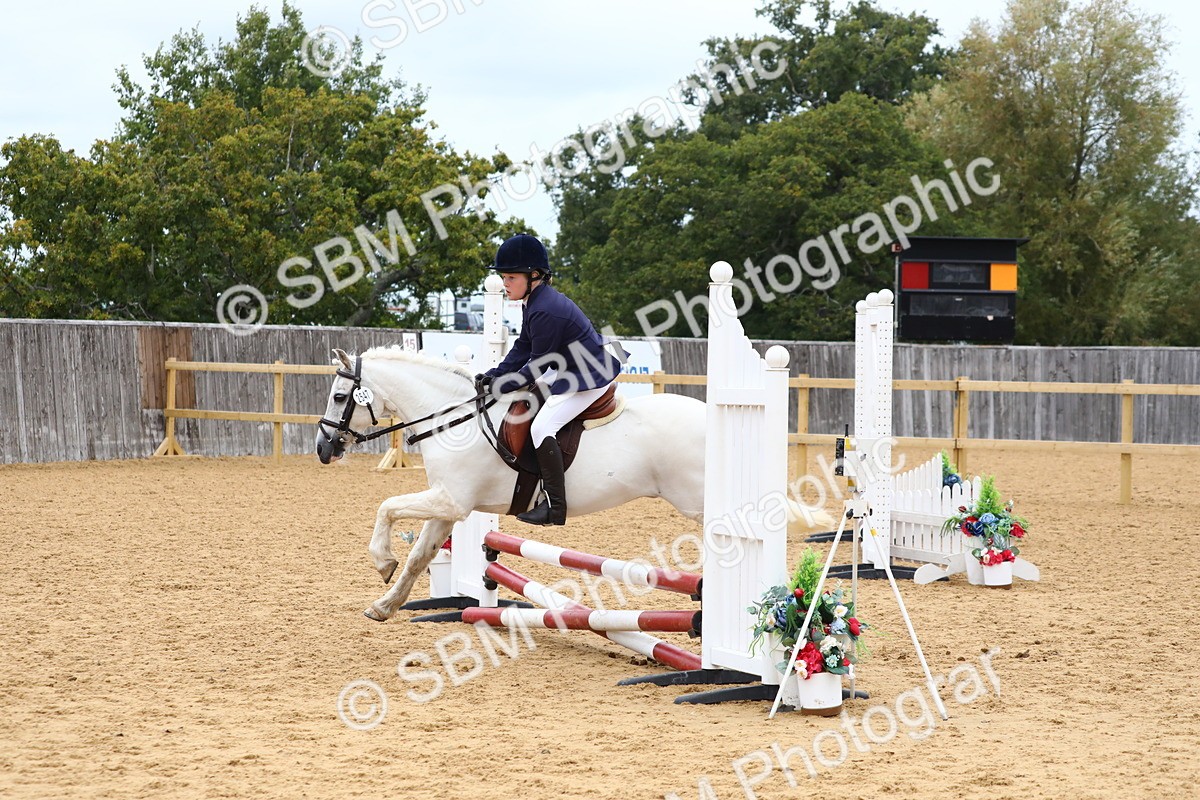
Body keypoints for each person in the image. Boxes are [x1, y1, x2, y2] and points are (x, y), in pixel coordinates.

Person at [476, 234, 622, 526]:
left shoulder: (544, 309)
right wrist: (497, 374)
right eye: (503, 277)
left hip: (587, 374)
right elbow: (523, 347)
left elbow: (539, 365)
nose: (505, 283)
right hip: (568, 367)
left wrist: (505, 384)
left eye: (510, 277)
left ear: (534, 276)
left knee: (543, 425)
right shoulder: (533, 302)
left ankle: (555, 507)